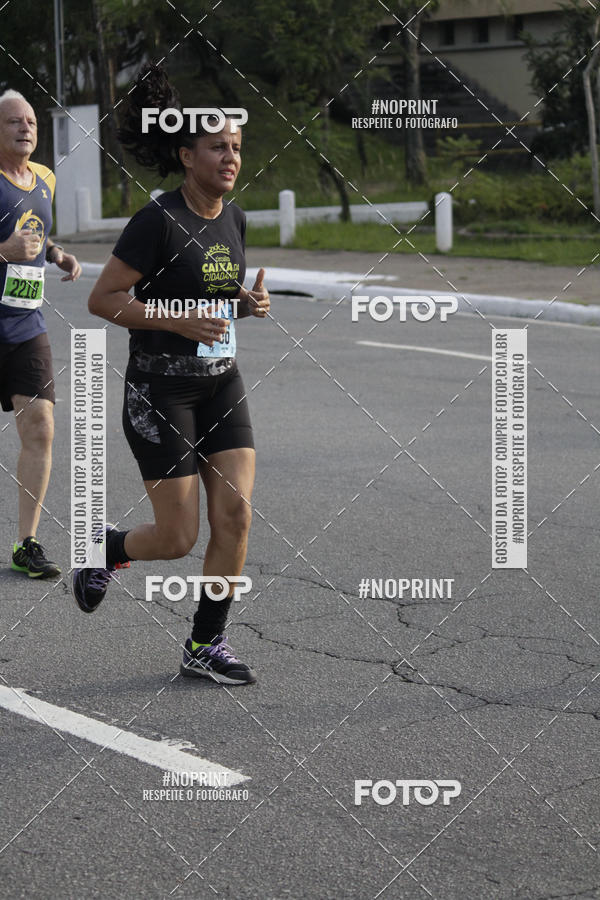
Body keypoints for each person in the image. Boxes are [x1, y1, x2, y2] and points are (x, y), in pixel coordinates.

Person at [72, 65, 269, 686]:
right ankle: (109, 548)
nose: (230, 157)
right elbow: (102, 300)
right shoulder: (156, 221)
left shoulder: (233, 219)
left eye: (236, 147)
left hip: (222, 382)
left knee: (235, 516)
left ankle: (204, 644)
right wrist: (177, 322)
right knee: (178, 536)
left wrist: (243, 302)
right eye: (217, 146)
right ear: (187, 156)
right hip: (160, 390)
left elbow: (210, 289)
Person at [0, 90, 81, 578]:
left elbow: (33, 231)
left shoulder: (44, 178)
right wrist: (2, 248)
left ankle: (26, 542)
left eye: (30, 120)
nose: (26, 128)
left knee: (41, 427)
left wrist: (55, 254)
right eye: (14, 121)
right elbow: (10, 239)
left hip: (25, 323)